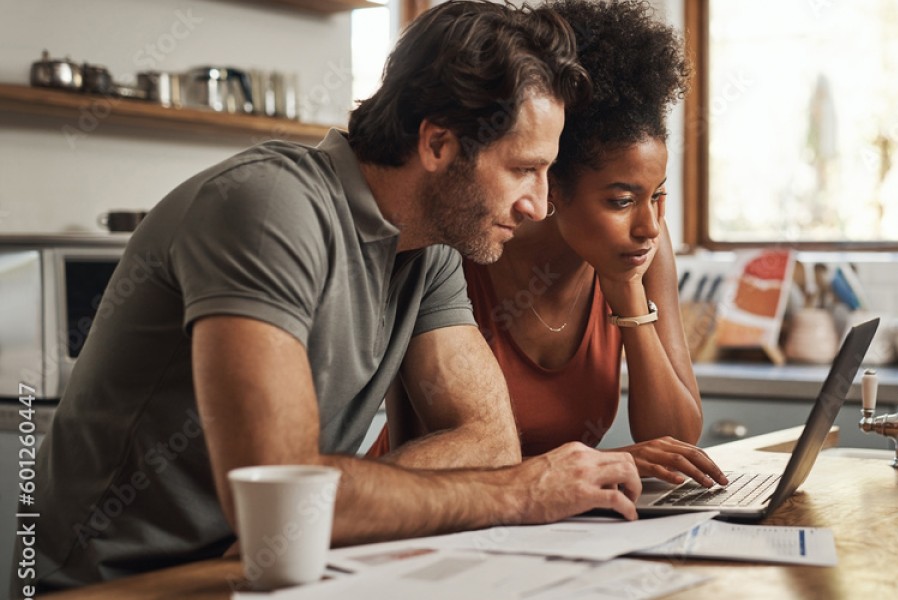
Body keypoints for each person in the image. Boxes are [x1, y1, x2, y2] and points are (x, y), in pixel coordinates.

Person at [22, 2, 642, 592]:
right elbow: (278, 493)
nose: (537, 204)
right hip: (123, 585)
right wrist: (516, 492)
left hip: (273, 569)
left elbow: (487, 441)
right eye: (522, 169)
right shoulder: (269, 207)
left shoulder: (431, 250)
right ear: (437, 145)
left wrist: (318, 507)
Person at [368, 0, 728, 489]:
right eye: (621, 200)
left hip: (552, 517)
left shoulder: (641, 249)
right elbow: (436, 445)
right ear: (553, 185)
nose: (649, 225)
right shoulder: (464, 242)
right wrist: (604, 464)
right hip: (429, 506)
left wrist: (625, 295)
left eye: (658, 195)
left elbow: (677, 439)